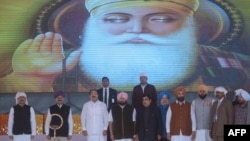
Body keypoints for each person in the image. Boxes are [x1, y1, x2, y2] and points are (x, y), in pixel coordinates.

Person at [1, 0, 249, 93]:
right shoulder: (57, 64)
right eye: (117, 19)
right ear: (92, 27)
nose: (136, 29)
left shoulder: (241, 67)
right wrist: (29, 80)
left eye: (160, 19)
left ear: (189, 26)